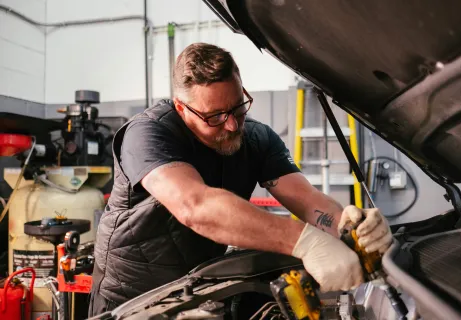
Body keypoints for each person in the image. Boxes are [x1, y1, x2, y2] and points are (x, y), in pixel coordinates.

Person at [88, 42, 392, 316]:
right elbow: (194, 206)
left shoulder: (257, 138)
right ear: (182, 108)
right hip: (131, 298)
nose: (233, 125)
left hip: (198, 288)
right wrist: (304, 242)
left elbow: (306, 198)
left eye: (238, 107)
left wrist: (347, 226)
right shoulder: (148, 134)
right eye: (215, 116)